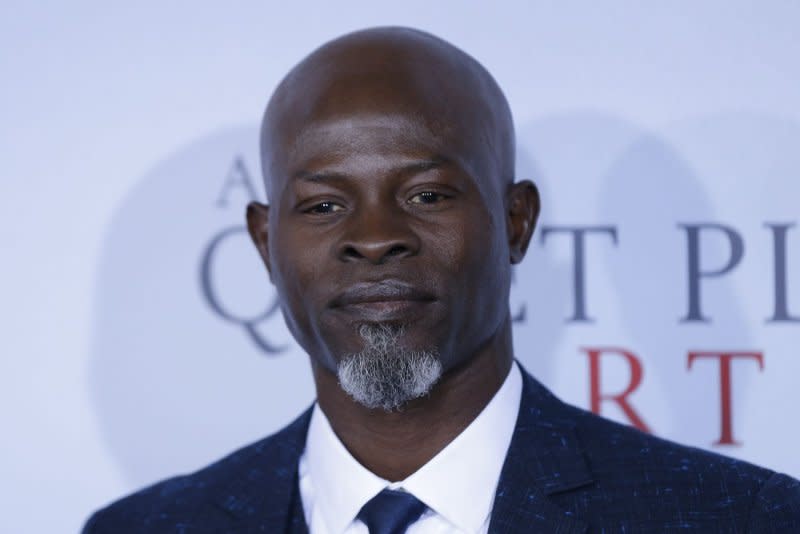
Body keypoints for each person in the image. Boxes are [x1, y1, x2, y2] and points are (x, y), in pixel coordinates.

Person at [84, 26, 800, 533]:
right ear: (265, 243)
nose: (373, 238)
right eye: (324, 205)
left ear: (516, 221)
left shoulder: (737, 518)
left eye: (426, 195)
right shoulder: (143, 528)